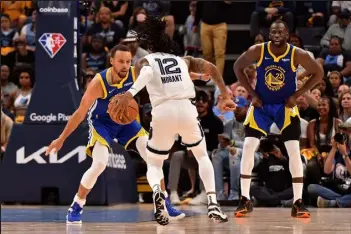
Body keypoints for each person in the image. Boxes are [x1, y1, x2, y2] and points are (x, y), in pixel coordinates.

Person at [114, 16, 235, 225]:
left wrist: (128, 93)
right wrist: (224, 95)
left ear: (149, 45)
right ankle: (213, 203)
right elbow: (212, 69)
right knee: (202, 156)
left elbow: (147, 75)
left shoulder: (144, 61)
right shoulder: (182, 60)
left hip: (163, 111)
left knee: (154, 162)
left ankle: (158, 198)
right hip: (187, 109)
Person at [45, 44, 184, 224]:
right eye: (120, 61)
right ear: (111, 61)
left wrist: (192, 77)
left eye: (128, 61)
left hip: (126, 122)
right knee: (100, 163)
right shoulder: (98, 83)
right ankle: (77, 205)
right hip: (102, 123)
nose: (125, 66)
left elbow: (164, 80)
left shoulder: (136, 73)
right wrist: (61, 138)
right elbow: (80, 112)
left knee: (153, 158)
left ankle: (164, 203)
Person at [233, 20, 324, 218]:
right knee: (248, 146)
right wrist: (252, 94)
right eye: (273, 30)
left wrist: (298, 93)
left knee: (293, 150)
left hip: (285, 106)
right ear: (269, 33)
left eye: (280, 31)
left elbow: (319, 73)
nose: (276, 33)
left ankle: (298, 202)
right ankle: (244, 199)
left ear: (287, 34)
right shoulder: (259, 50)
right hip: (262, 106)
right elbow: (237, 66)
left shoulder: (296, 53)